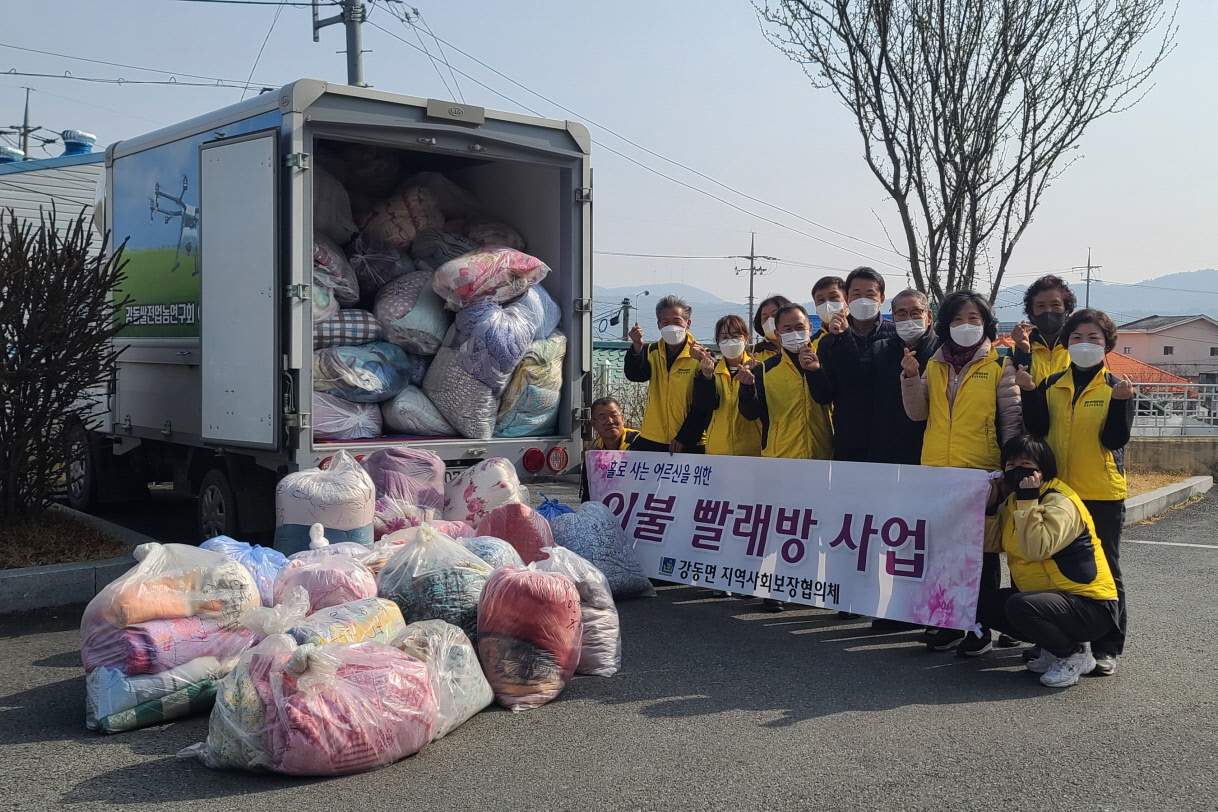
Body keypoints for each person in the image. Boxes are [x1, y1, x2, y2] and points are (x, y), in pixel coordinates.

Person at [901, 289, 1021, 655]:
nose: (965, 325)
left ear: (986, 323)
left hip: (979, 473)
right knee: (942, 552)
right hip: (938, 471)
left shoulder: (1000, 364)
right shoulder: (934, 363)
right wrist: (909, 376)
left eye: (973, 319)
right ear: (944, 324)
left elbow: (1012, 421)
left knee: (981, 554)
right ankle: (949, 621)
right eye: (957, 319)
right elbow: (918, 413)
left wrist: (1005, 472)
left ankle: (980, 626)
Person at [1017, 308, 1134, 676]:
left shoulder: (1117, 386)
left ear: (1107, 345)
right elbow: (1036, 430)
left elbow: (1115, 439)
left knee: (1105, 571)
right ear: (1067, 343)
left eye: (1094, 339)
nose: (1085, 345)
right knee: (1049, 567)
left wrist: (1119, 403)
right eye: (1078, 338)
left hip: (1099, 492)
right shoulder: (1051, 383)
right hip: (1057, 494)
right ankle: (1054, 642)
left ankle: (1107, 647)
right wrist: (1030, 393)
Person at [978, 435, 1119, 687]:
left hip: (1090, 606)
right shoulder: (1013, 501)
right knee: (983, 605)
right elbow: (993, 545)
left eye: (1025, 462)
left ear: (1043, 467)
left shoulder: (1060, 501)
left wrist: (1028, 499)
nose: (1017, 469)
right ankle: (1053, 649)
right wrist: (990, 508)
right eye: (1010, 465)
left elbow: (1036, 549)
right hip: (1052, 601)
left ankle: (1072, 654)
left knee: (1020, 605)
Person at [737, 303, 825, 612]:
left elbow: (829, 396)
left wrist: (815, 371)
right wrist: (746, 390)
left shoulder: (823, 362)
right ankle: (773, 588)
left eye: (799, 327)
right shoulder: (764, 369)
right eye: (786, 329)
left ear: (810, 328)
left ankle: (815, 586)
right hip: (779, 459)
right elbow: (750, 413)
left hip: (821, 456)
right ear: (776, 333)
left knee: (819, 527)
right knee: (779, 528)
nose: (794, 333)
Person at [811, 267, 897, 461]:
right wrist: (814, 372)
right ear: (847, 300)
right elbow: (824, 395)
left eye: (870, 294)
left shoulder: (896, 336)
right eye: (856, 295)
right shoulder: (829, 341)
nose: (863, 300)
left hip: (891, 439)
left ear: (882, 299)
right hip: (849, 439)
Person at [624, 294, 710, 454]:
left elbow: (703, 404)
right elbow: (635, 375)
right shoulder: (651, 351)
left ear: (688, 323)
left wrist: (685, 437)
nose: (671, 326)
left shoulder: (701, 356)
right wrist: (636, 346)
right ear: (659, 325)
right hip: (653, 437)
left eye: (677, 321)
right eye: (665, 322)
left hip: (690, 441)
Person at [692, 314, 764, 457]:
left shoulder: (759, 369)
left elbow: (753, 413)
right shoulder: (711, 370)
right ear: (718, 342)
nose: (730, 341)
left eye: (736, 336)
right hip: (717, 451)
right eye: (724, 337)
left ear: (746, 338)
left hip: (752, 452)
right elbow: (704, 406)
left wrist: (748, 386)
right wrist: (706, 376)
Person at [1011, 275, 1076, 384]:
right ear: (1031, 314)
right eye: (1040, 306)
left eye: (1055, 304)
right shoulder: (1015, 351)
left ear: (1067, 310)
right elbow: (1011, 391)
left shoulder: (1077, 348)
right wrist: (1023, 353)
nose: (1048, 311)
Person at [578, 397, 640, 502]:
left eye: (614, 415)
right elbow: (587, 496)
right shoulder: (594, 456)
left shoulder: (640, 443)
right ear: (594, 424)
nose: (610, 421)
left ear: (622, 418)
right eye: (602, 418)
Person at [751, 294, 793, 361]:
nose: (770, 321)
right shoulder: (753, 353)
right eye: (765, 318)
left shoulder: (806, 348)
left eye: (775, 315)